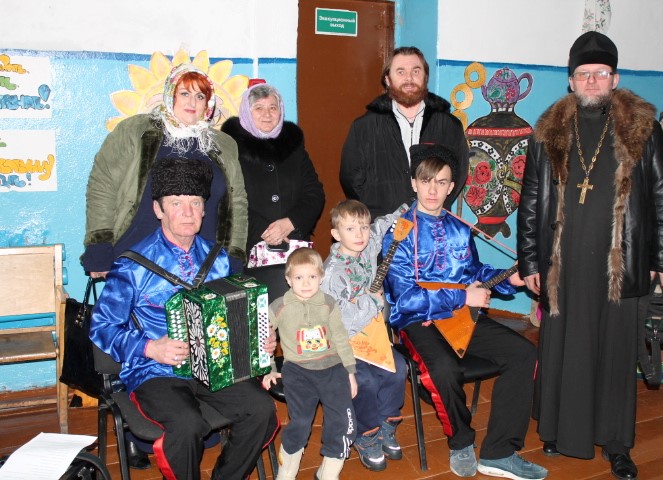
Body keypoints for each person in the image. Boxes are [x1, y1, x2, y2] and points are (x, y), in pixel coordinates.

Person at [517, 31, 663, 480]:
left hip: (620, 261)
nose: (591, 82)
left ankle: (616, 442)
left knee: (615, 353)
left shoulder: (641, 127)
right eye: (583, 74)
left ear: (615, 78)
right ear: (571, 80)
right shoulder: (548, 128)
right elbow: (531, 200)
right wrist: (529, 261)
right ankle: (558, 429)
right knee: (564, 347)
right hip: (562, 262)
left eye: (600, 74)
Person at [90, 157, 278, 480]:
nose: (188, 212)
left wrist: (258, 339)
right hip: (155, 371)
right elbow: (101, 327)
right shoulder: (132, 265)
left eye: (196, 202)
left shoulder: (218, 259)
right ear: (158, 209)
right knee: (187, 424)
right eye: (176, 203)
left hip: (214, 369)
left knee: (262, 410)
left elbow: (232, 317)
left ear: (204, 210)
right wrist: (150, 347)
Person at [383, 143, 547, 479]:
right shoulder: (399, 232)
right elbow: (405, 299)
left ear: (451, 187)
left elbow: (475, 273)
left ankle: (499, 452)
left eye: (441, 182)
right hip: (418, 321)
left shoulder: (459, 228)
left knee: (524, 353)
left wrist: (508, 279)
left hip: (462, 319)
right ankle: (461, 442)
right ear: (414, 183)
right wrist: (461, 298)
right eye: (426, 181)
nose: (433, 190)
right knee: (443, 368)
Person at [83, 63, 248, 278]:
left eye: (200, 96)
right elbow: (103, 186)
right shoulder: (135, 131)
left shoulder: (224, 145)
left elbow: (238, 202)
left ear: (208, 102)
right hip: (138, 262)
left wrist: (234, 254)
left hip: (205, 266)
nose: (192, 102)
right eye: (185, 93)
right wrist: (99, 246)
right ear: (170, 95)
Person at [320, 199, 408, 471]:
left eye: (363, 227)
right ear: (336, 234)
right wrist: (373, 302)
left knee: (398, 369)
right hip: (342, 343)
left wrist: (404, 210)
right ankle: (366, 434)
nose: (359, 234)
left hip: (371, 334)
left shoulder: (368, 245)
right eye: (350, 229)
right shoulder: (331, 274)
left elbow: (381, 227)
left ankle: (386, 423)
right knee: (365, 381)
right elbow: (341, 322)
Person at [221, 80, 325, 301]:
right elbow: (229, 199)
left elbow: (314, 193)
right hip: (250, 251)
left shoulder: (293, 147)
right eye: (258, 108)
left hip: (295, 251)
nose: (267, 114)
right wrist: (265, 231)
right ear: (246, 112)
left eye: (272, 107)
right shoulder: (231, 149)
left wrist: (291, 222)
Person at [341, 46, 469, 220]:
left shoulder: (449, 126)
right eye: (400, 72)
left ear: (425, 77)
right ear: (388, 79)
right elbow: (350, 179)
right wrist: (376, 214)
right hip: (381, 227)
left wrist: (435, 208)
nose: (409, 78)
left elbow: (458, 173)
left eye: (416, 71)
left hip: (431, 223)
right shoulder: (364, 127)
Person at [262, 248, 357, 480]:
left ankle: (329, 472)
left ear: (321, 277)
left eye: (312, 276)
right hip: (297, 370)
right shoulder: (279, 306)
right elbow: (262, 338)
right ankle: (287, 468)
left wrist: (350, 372)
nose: (306, 283)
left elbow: (340, 338)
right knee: (302, 420)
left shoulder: (328, 304)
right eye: (299, 277)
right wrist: (269, 368)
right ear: (288, 280)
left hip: (332, 367)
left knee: (344, 421)